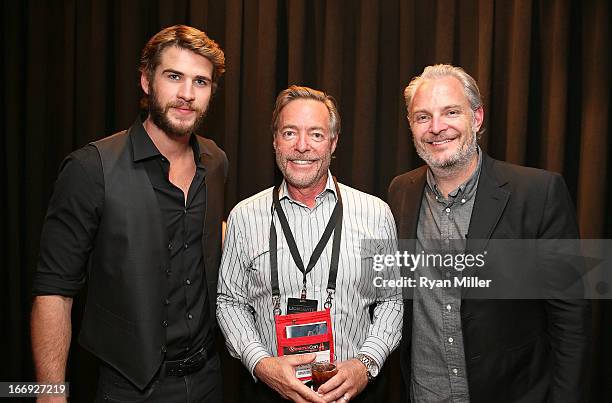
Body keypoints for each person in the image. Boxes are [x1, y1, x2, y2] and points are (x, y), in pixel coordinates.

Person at [31, 25, 227, 402]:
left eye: (200, 82)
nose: (187, 94)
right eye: (174, 77)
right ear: (146, 80)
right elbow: (54, 292)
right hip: (130, 388)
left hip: (208, 379)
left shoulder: (216, 162)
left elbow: (201, 236)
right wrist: (50, 394)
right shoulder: (91, 169)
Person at [388, 64, 591, 403]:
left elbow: (571, 317)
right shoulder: (400, 193)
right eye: (422, 117)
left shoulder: (539, 193)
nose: (436, 128)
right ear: (411, 126)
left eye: (451, 112)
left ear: (477, 118)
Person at [217, 86, 402, 403]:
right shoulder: (243, 217)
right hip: (269, 394)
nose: (301, 146)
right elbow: (229, 301)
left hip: (352, 395)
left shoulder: (375, 214)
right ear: (275, 140)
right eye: (290, 133)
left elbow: (392, 301)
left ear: (333, 143)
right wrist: (260, 364)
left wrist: (366, 364)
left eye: (316, 135)